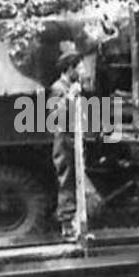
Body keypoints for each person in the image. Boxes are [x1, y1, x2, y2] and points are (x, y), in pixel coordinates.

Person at [50, 45, 84, 237]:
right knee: (67, 180)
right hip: (63, 140)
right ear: (69, 68)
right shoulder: (58, 88)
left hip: (71, 139)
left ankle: (74, 223)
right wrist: (71, 97)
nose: (82, 72)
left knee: (73, 180)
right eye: (79, 68)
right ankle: (67, 225)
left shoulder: (69, 87)